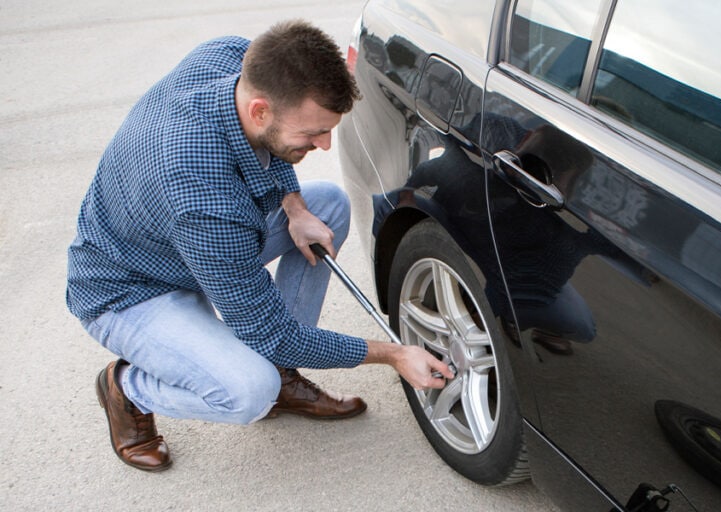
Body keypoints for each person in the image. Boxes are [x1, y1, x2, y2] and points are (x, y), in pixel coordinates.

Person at [66, 20, 453, 472]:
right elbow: (270, 332)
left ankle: (283, 378)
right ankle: (127, 388)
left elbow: (272, 148)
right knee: (249, 390)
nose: (325, 145)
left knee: (325, 205)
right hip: (130, 288)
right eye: (311, 134)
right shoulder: (203, 196)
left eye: (327, 130)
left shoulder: (231, 56)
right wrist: (394, 354)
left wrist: (294, 207)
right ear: (259, 111)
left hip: (184, 242)